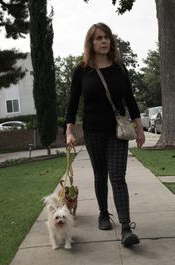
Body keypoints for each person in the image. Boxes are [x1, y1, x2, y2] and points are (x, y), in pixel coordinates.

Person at [65, 23, 145, 247]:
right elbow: (72, 103)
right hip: (93, 131)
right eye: (98, 38)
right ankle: (103, 213)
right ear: (91, 42)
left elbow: (129, 99)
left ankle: (127, 227)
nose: (103, 41)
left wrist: (139, 127)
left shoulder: (120, 68)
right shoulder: (82, 70)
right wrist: (69, 131)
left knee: (118, 176)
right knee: (100, 174)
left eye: (106, 37)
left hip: (117, 131)